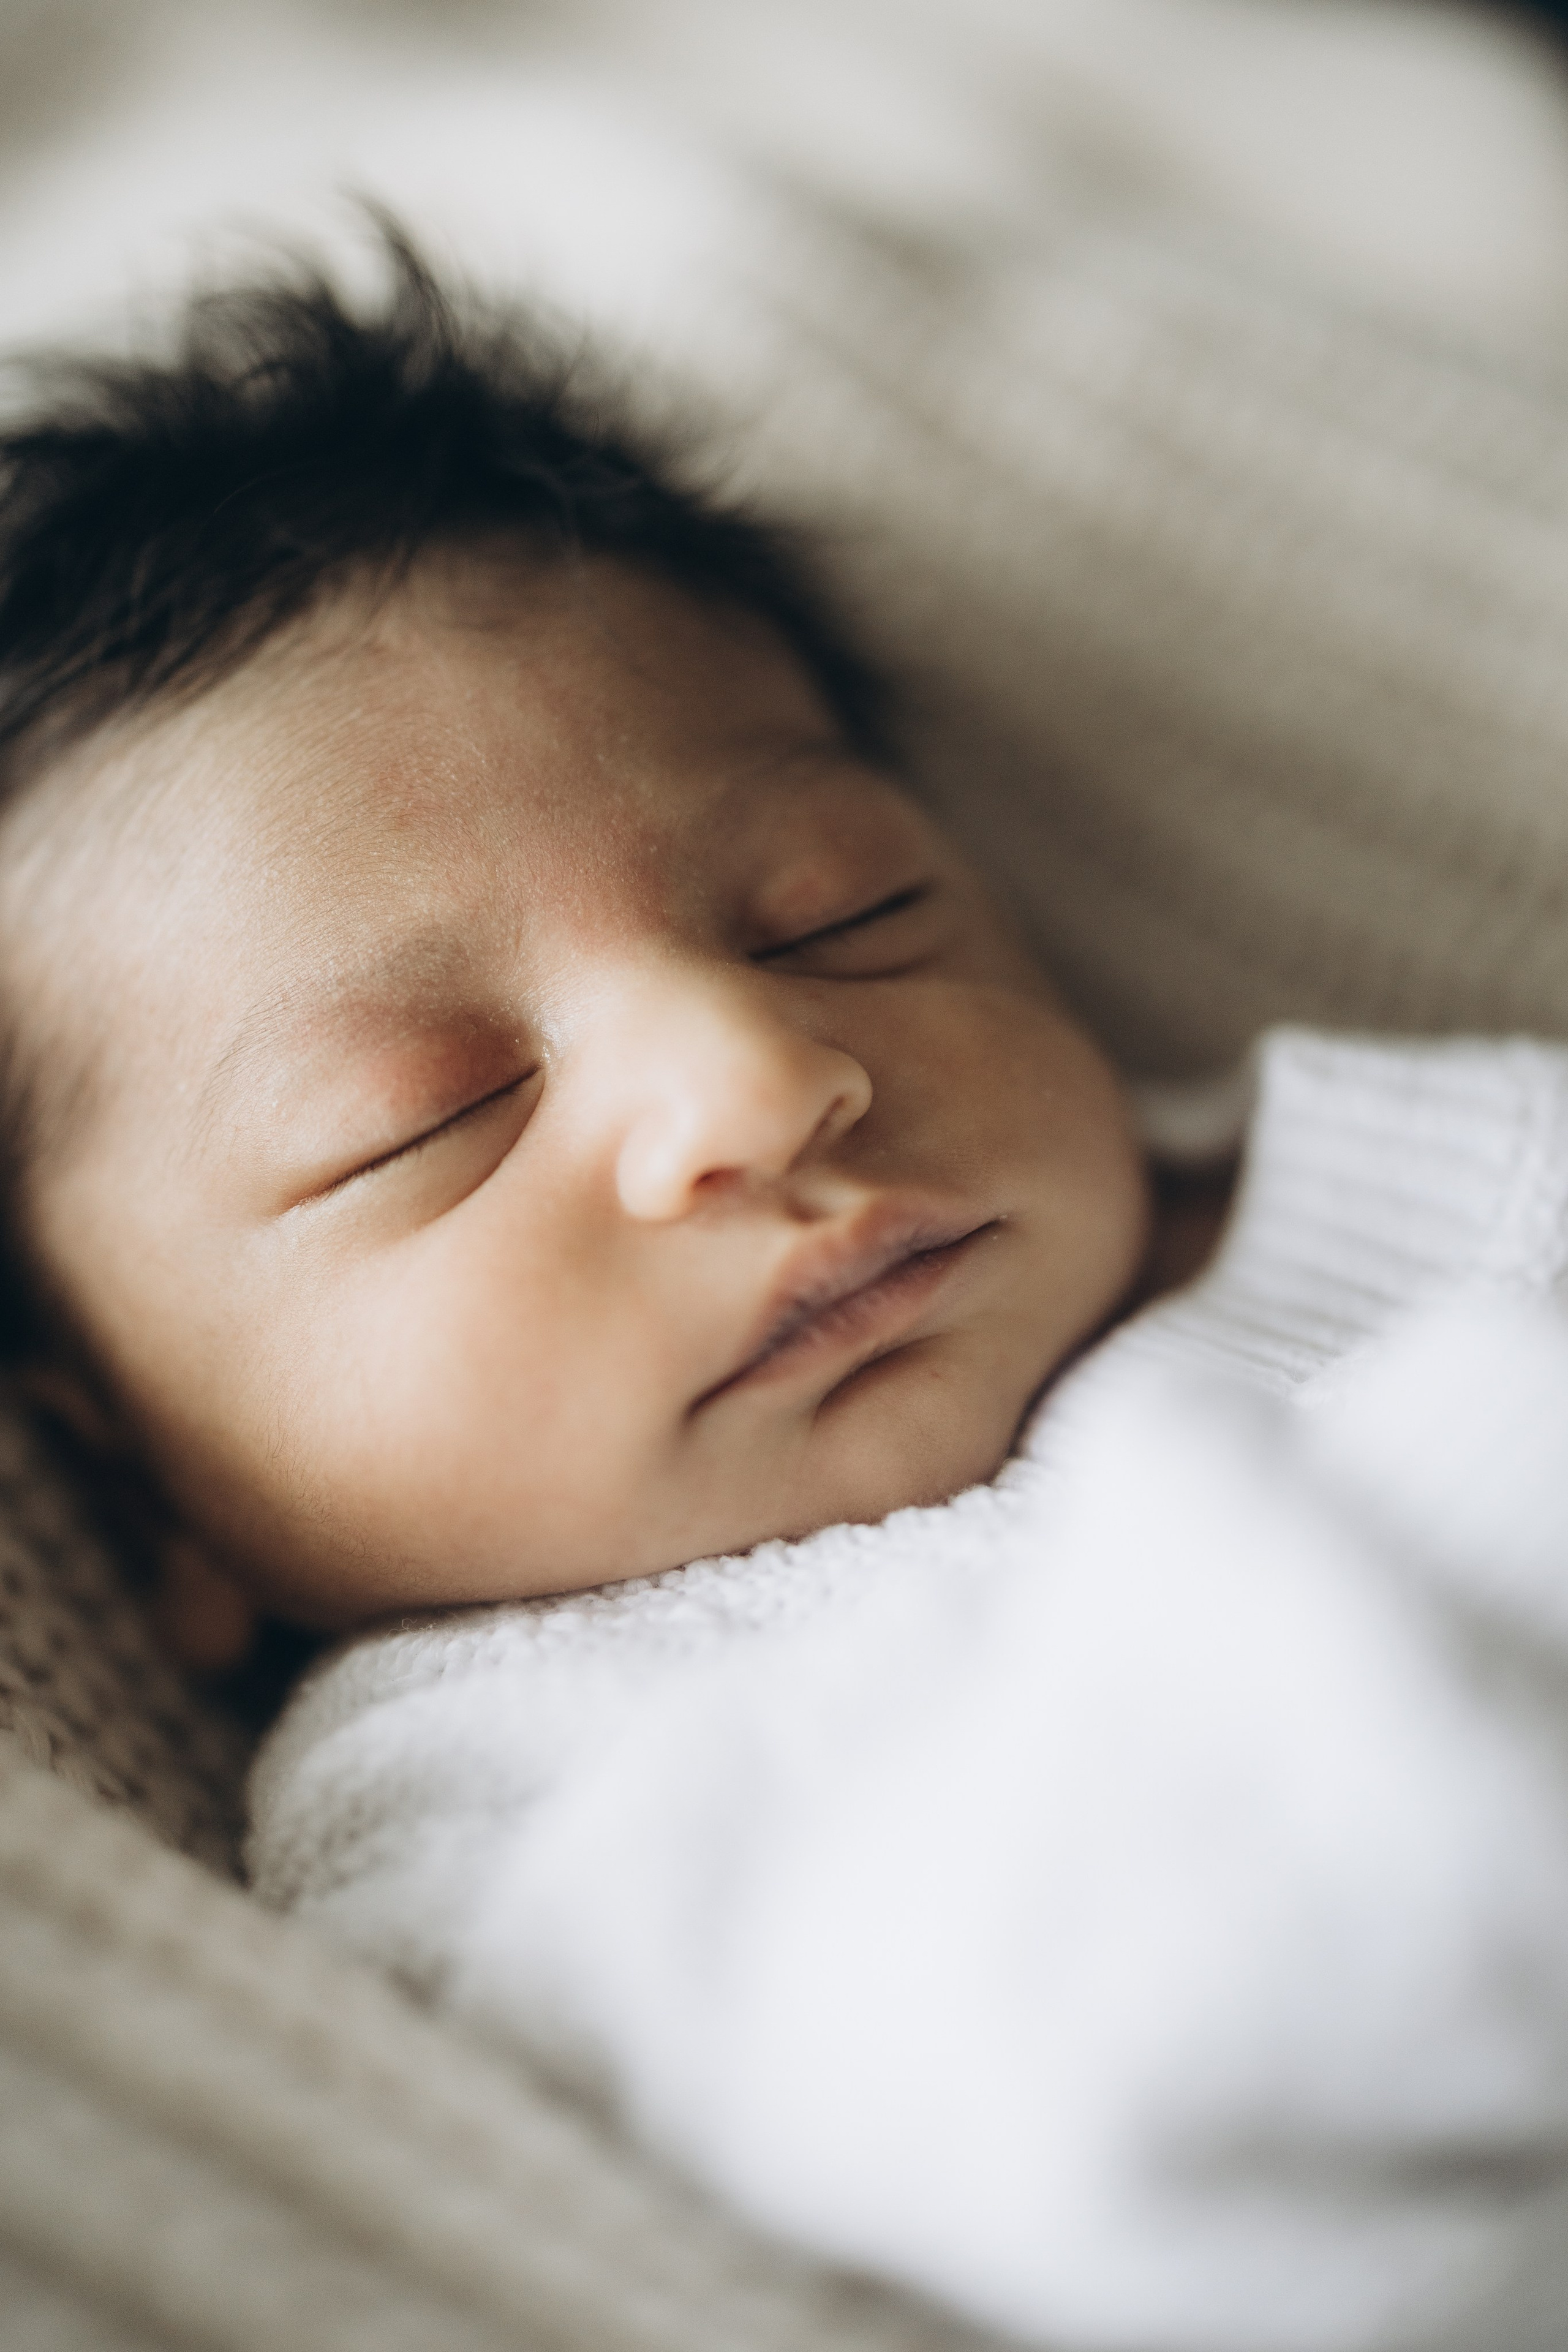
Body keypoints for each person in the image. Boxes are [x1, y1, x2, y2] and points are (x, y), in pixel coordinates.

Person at [7, 232, 1568, 2350]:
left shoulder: (1479, 1159)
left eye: (844, 919)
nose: (757, 1081)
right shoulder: (510, 1812)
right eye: (425, 1122)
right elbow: (1086, 2106)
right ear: (160, 1492)